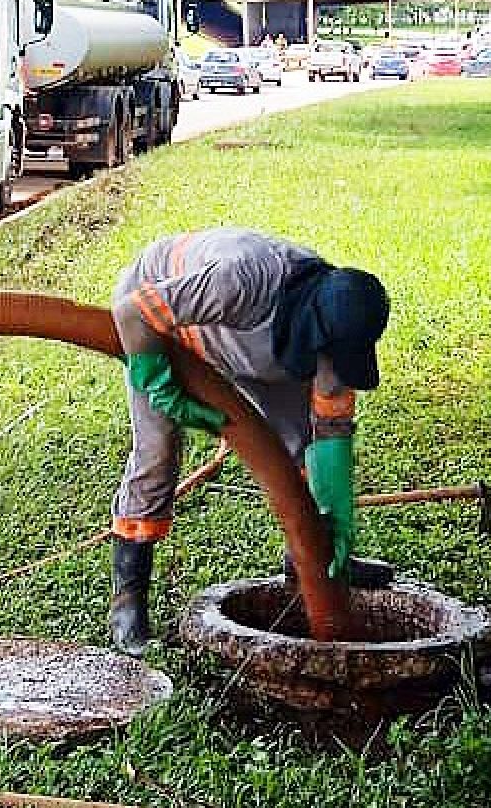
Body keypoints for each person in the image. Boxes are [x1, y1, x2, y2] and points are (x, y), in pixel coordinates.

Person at [107, 227, 393, 655]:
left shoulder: (334, 317)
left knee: (298, 450)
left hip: (243, 343)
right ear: (315, 338)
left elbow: (330, 429)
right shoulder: (242, 281)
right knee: (158, 456)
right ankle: (127, 605)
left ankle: (310, 562)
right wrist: (160, 386)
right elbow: (133, 313)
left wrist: (338, 517)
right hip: (157, 326)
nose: (330, 370)